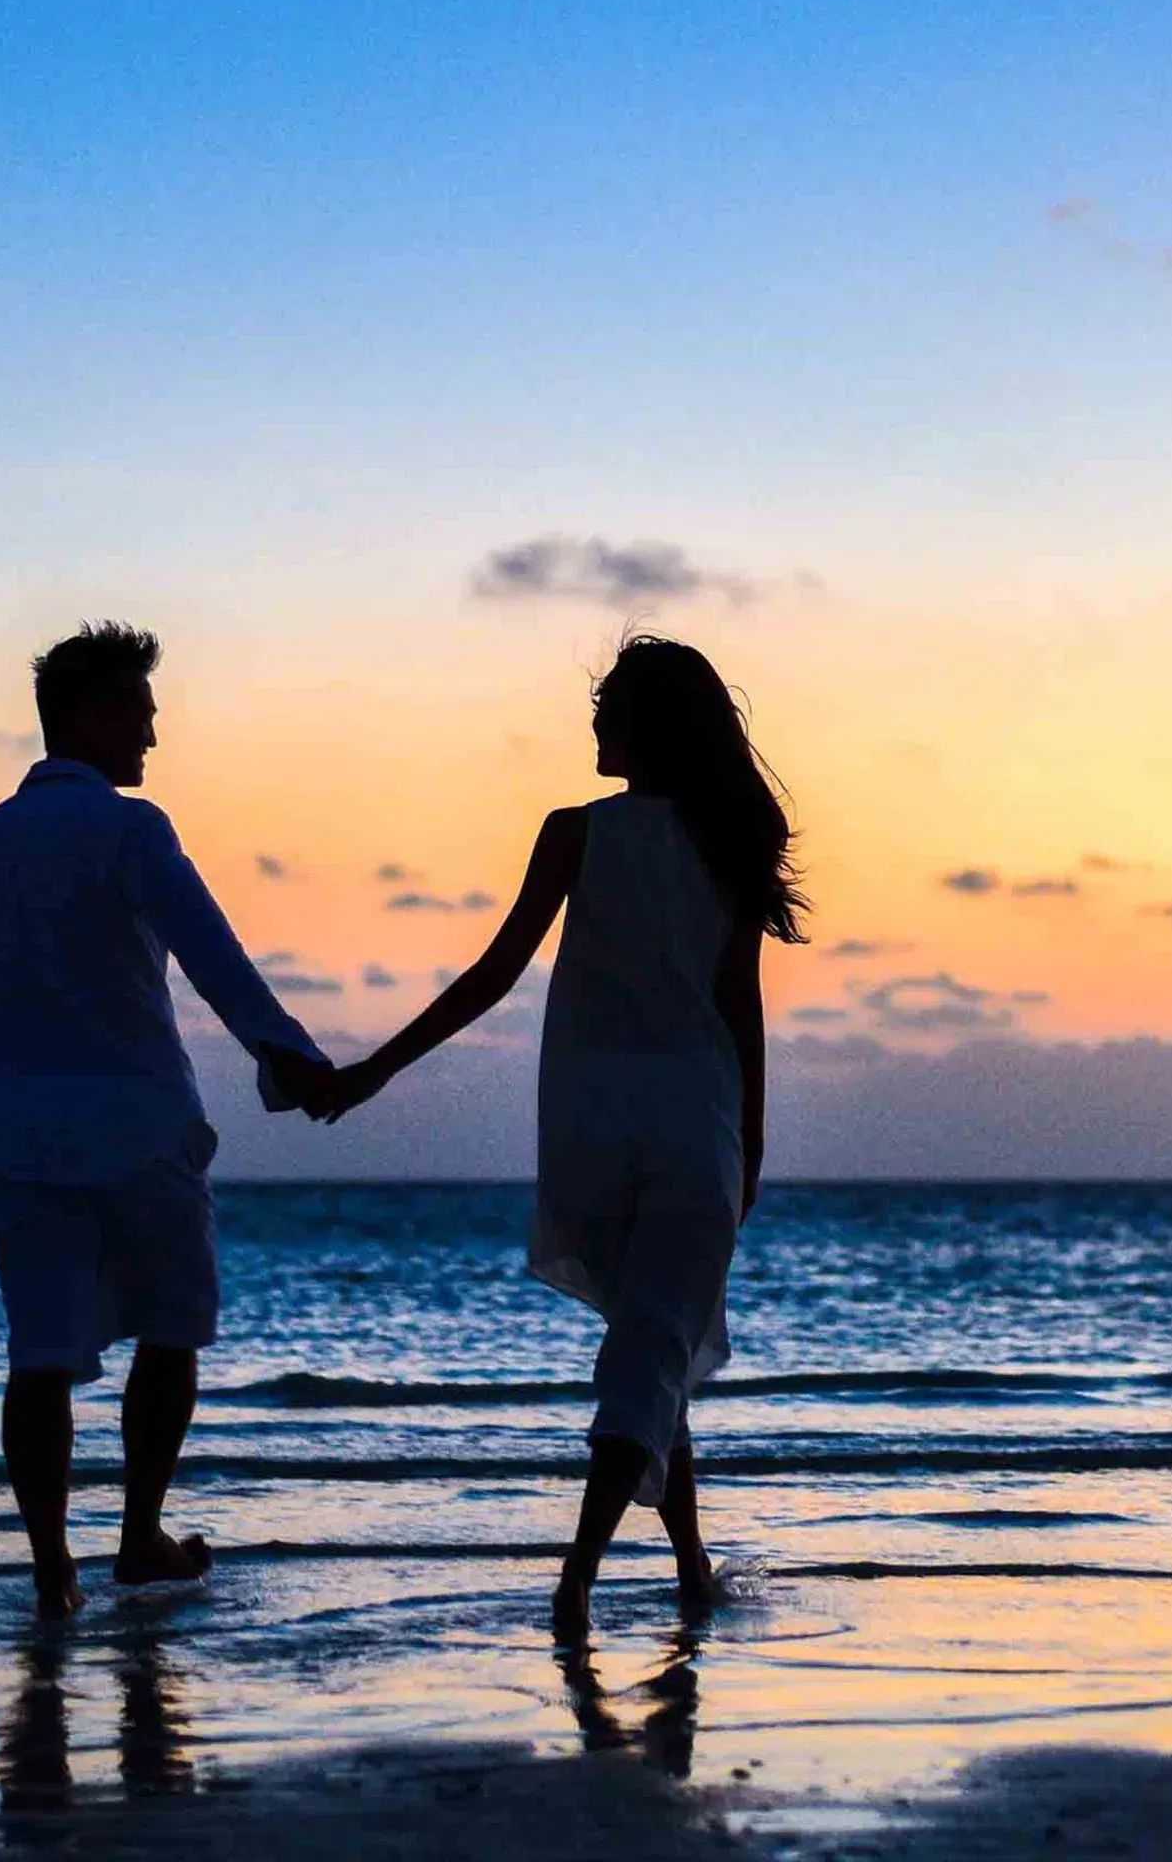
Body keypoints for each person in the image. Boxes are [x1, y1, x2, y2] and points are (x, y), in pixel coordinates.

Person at [317, 636, 807, 1635]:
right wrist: (750, 1145)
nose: (591, 719)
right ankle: (576, 1579)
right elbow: (737, 1007)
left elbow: (493, 974)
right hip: (693, 1128)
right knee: (648, 1353)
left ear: (646, 724)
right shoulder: (727, 837)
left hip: (590, 1133)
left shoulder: (574, 833)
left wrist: (374, 1069)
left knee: (650, 1348)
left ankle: (689, 1566)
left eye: (605, 704)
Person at [0, 622, 335, 1619]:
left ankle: (51, 1567)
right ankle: (136, 1535)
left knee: (39, 1355)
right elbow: (209, 950)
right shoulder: (132, 829)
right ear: (89, 713)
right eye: (140, 713)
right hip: (137, 1121)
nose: (152, 738)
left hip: (23, 1128)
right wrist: (286, 1054)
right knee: (169, 1333)